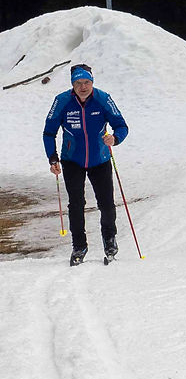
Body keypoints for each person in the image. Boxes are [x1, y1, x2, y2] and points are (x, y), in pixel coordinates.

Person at [43, 64, 129, 266]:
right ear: (72, 84)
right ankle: (79, 246)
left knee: (106, 203)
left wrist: (115, 139)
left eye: (87, 82)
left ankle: (109, 241)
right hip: (72, 160)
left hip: (100, 159)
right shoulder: (62, 101)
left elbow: (121, 125)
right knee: (76, 204)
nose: (83, 87)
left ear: (92, 82)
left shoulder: (103, 99)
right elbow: (48, 133)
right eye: (78, 83)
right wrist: (53, 158)